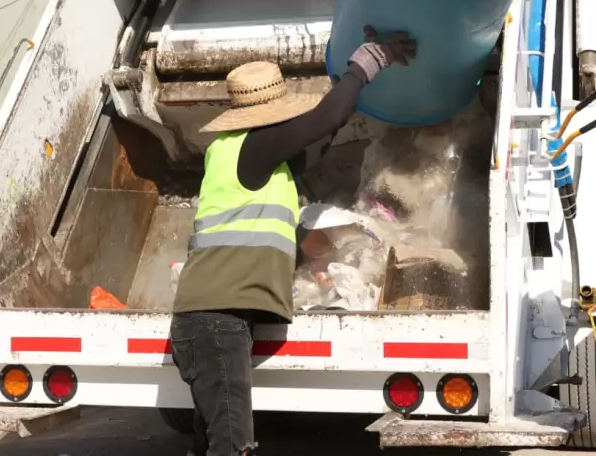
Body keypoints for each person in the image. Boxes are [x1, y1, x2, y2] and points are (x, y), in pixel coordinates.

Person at [169, 26, 417, 456]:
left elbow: (318, 139)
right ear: (269, 113)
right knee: (233, 446)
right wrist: (370, 60)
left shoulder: (243, 154)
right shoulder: (253, 146)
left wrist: (343, 85)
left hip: (212, 320)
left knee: (210, 441)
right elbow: (326, 120)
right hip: (215, 322)